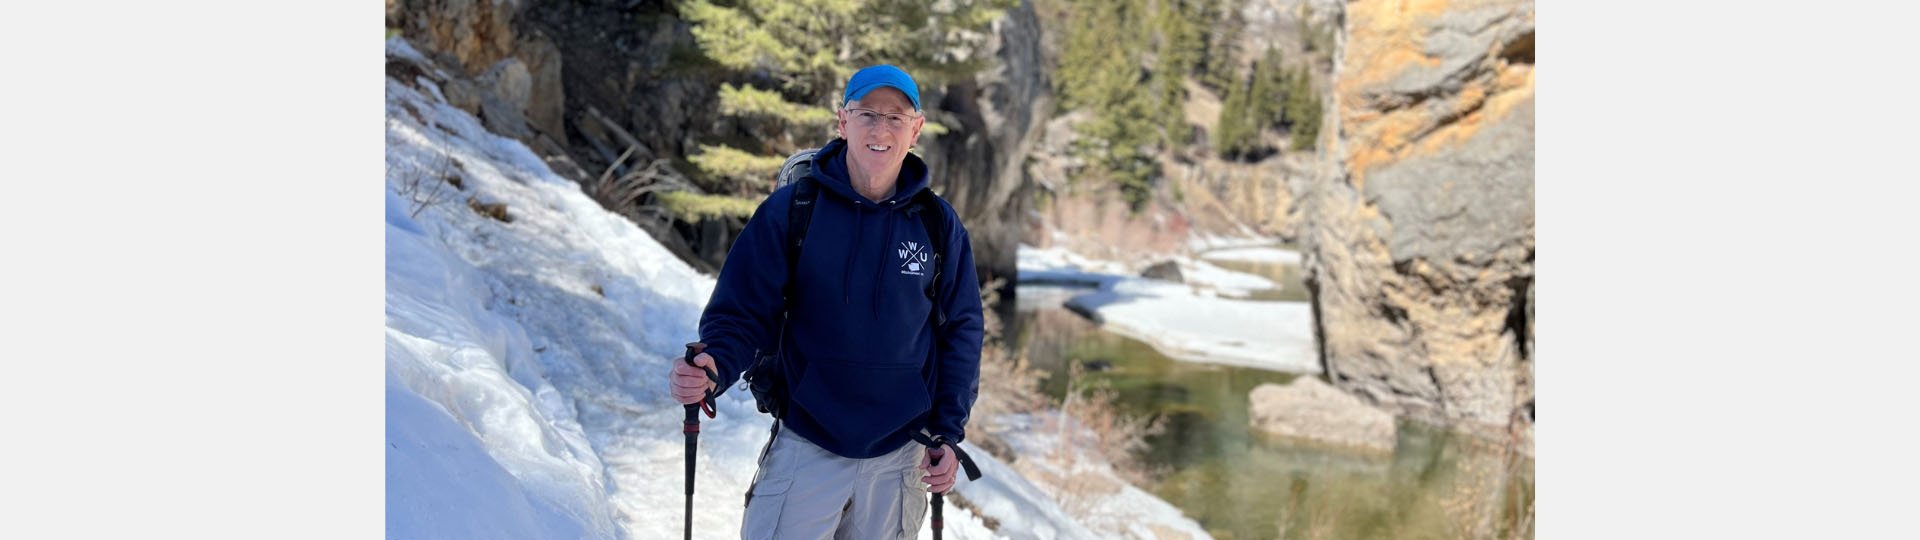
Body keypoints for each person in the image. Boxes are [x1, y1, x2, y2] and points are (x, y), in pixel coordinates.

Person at [668, 64, 985, 539]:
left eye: (896, 118)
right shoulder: (793, 210)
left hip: (900, 459)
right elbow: (744, 312)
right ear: (843, 122)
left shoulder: (938, 225)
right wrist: (713, 366)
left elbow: (961, 331)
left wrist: (947, 432)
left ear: (916, 129)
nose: (881, 129)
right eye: (867, 114)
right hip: (807, 443)